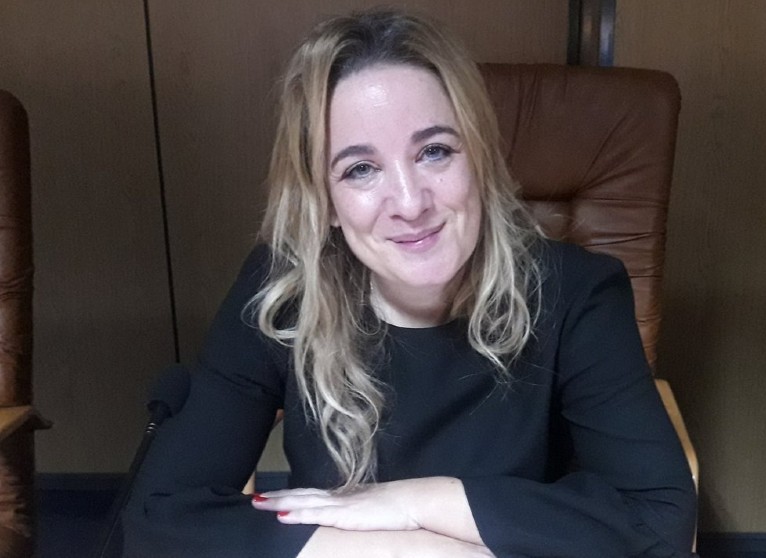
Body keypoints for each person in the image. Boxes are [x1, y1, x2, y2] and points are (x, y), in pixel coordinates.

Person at [123, 8, 696, 558]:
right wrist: (412, 548)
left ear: (479, 158)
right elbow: (158, 520)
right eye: (360, 169)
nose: (409, 202)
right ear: (325, 201)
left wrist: (411, 502)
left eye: (435, 152)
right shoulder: (282, 290)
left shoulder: (577, 292)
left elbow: (659, 520)